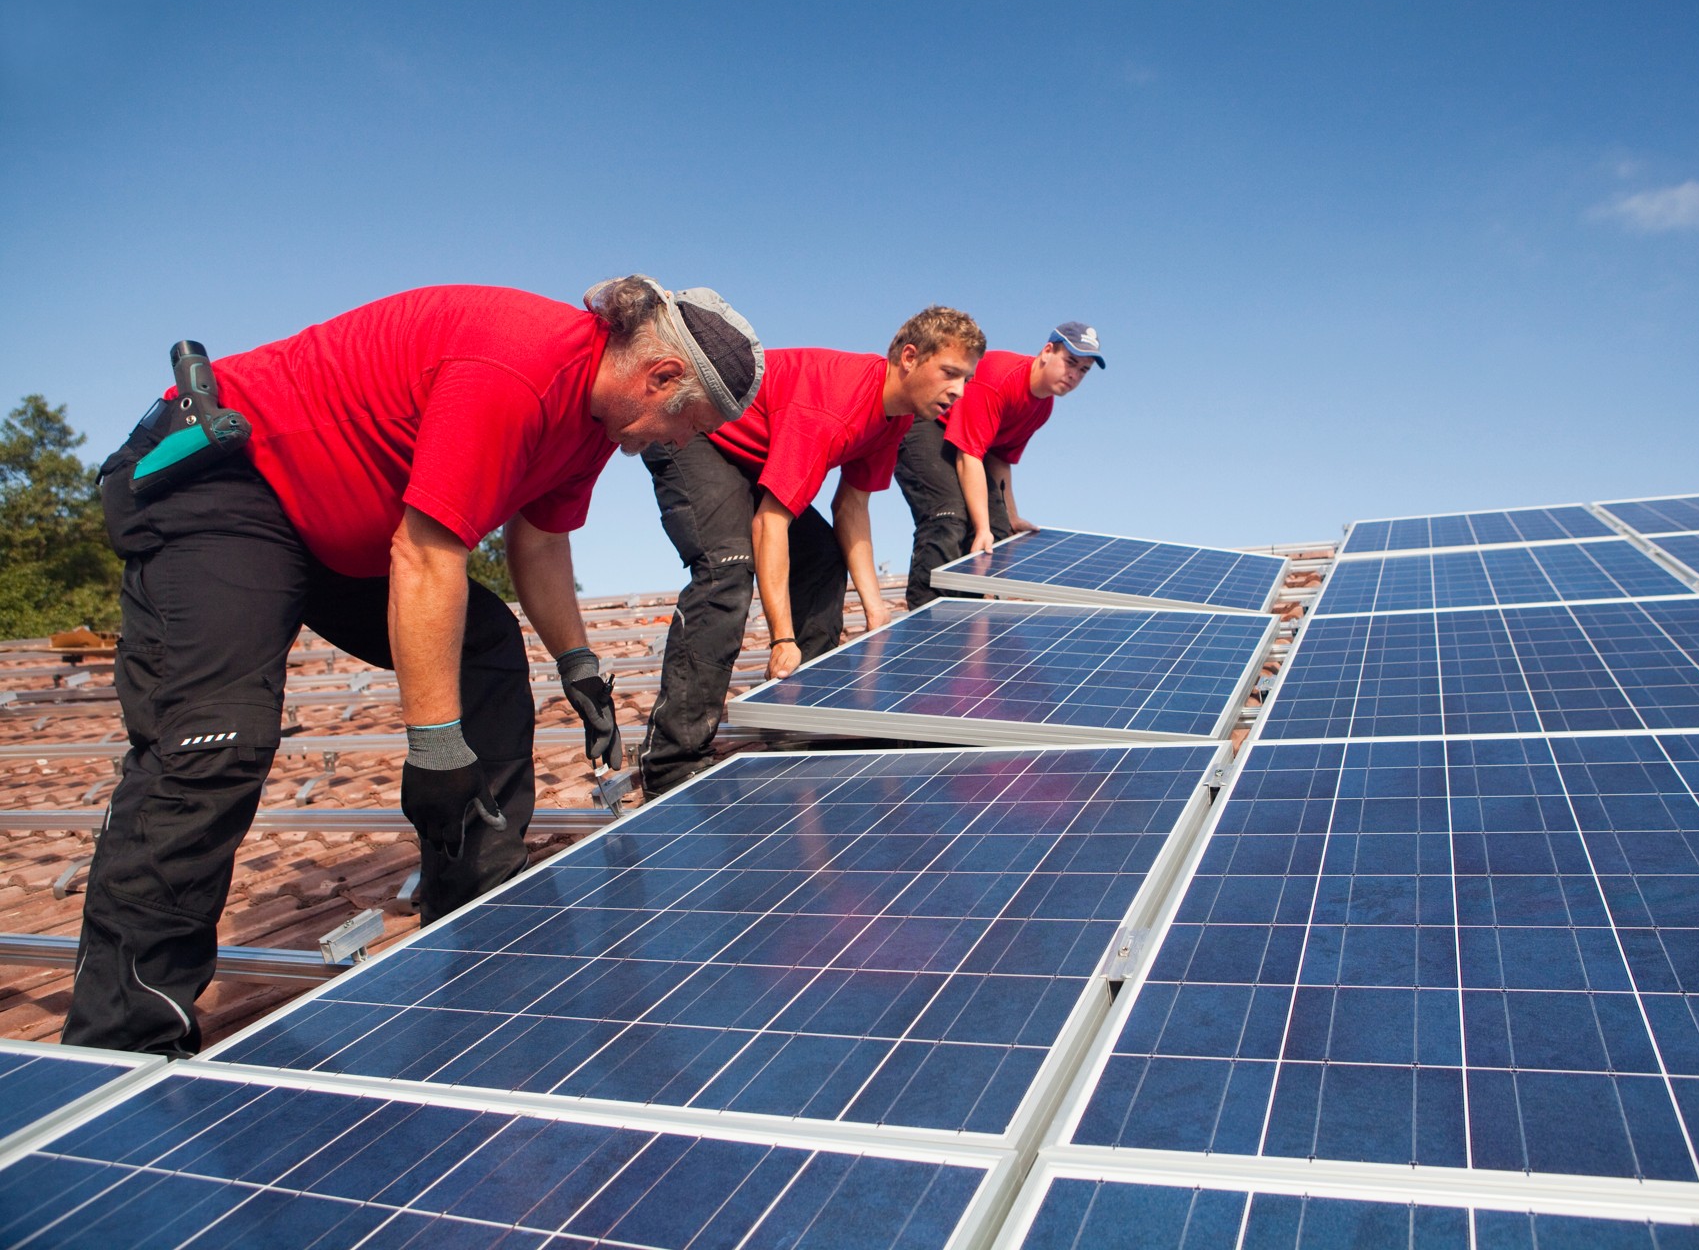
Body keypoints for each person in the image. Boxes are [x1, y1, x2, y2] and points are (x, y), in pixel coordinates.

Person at [66, 276, 763, 1055]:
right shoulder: (520, 365)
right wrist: (435, 750)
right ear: (660, 376)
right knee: (213, 743)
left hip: (336, 531)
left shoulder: (594, 424)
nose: (672, 445)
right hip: (231, 482)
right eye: (684, 425)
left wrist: (580, 667)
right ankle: (119, 1047)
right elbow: (428, 554)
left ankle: (476, 915)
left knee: (486, 650)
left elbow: (541, 542)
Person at [638, 306, 987, 795]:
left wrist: (875, 611)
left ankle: (802, 715)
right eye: (950, 373)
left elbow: (852, 507)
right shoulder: (833, 405)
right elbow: (770, 523)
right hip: (695, 434)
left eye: (967, 378)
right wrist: (782, 639)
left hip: (749, 458)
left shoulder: (895, 418)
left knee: (823, 558)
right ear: (909, 358)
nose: (959, 390)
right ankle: (672, 763)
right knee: (727, 567)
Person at [894, 322, 1104, 608]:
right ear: (1046, 352)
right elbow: (968, 455)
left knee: (1000, 531)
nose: (1074, 375)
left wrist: (1010, 516)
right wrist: (982, 527)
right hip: (927, 424)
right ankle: (927, 619)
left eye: (1083, 371)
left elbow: (1000, 459)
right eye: (1070, 362)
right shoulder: (1000, 378)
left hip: (968, 447)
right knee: (949, 514)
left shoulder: (1042, 407)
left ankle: (970, 619)